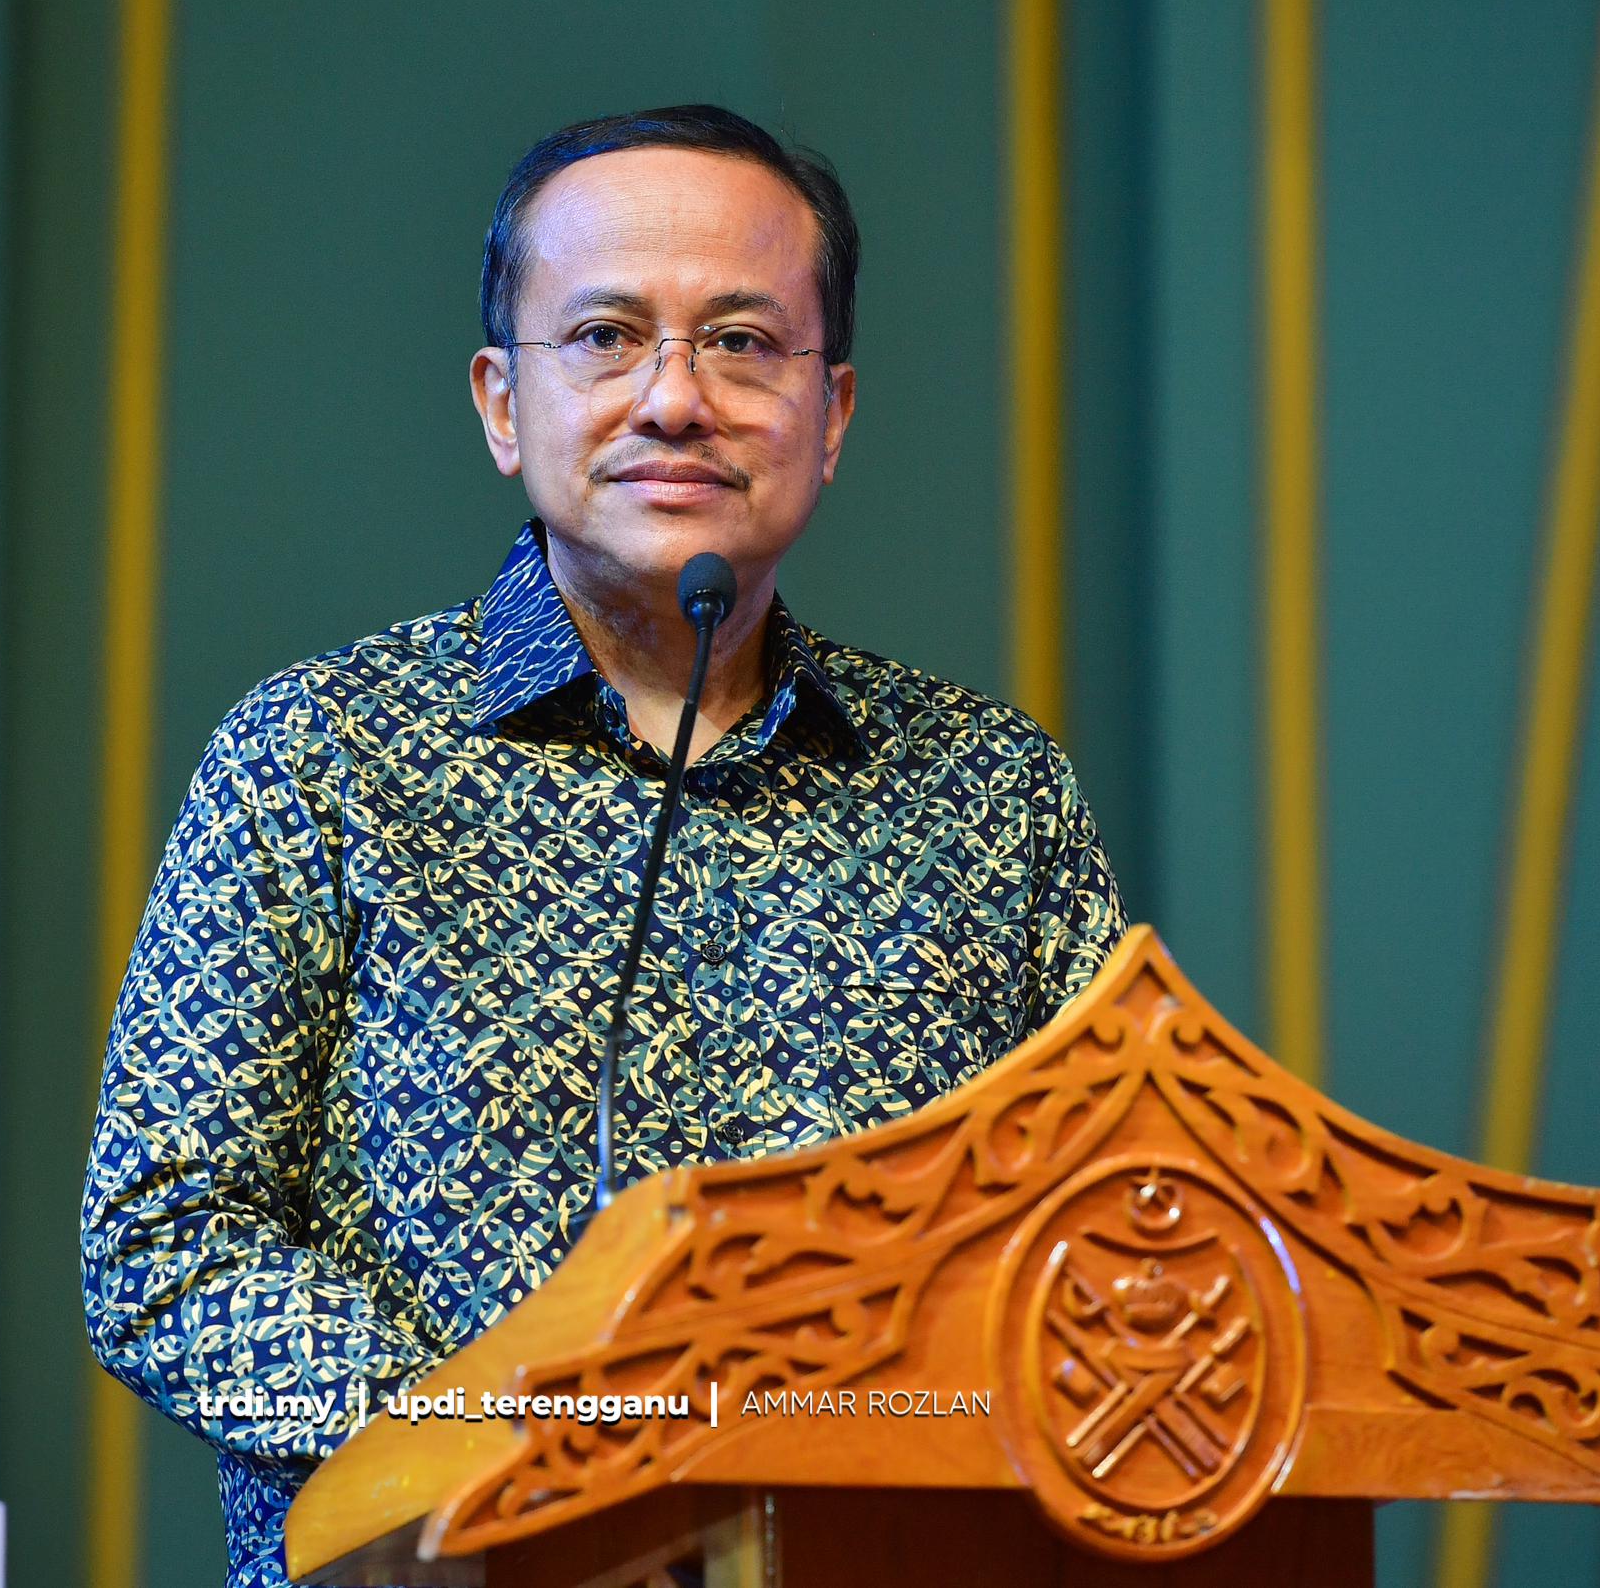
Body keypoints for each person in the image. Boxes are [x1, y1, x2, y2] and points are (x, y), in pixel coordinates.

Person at [83, 105, 1124, 1588]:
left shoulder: (989, 793)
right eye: (606, 337)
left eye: (743, 342)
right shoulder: (322, 754)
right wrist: (517, 1453)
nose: (675, 399)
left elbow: (1103, 1250)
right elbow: (161, 1240)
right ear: (503, 403)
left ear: (832, 412)